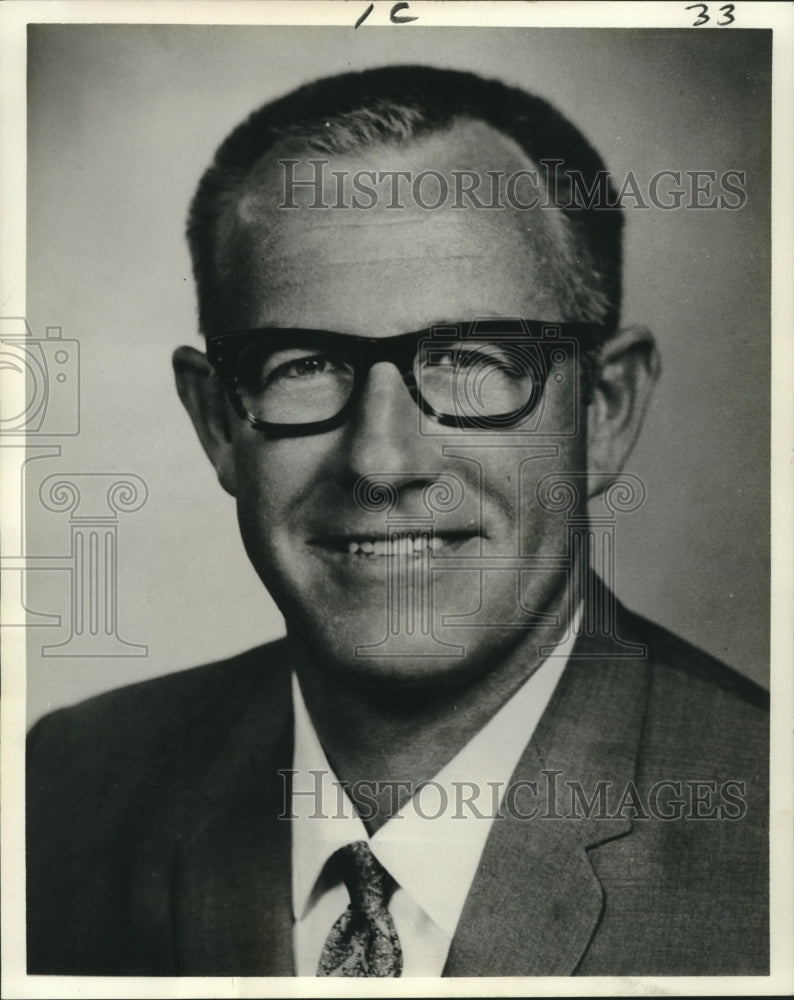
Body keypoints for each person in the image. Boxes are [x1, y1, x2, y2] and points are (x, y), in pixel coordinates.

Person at [26, 65, 768, 977]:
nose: (381, 459)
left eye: (470, 360)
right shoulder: (60, 793)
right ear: (219, 422)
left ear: (605, 409)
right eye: (303, 364)